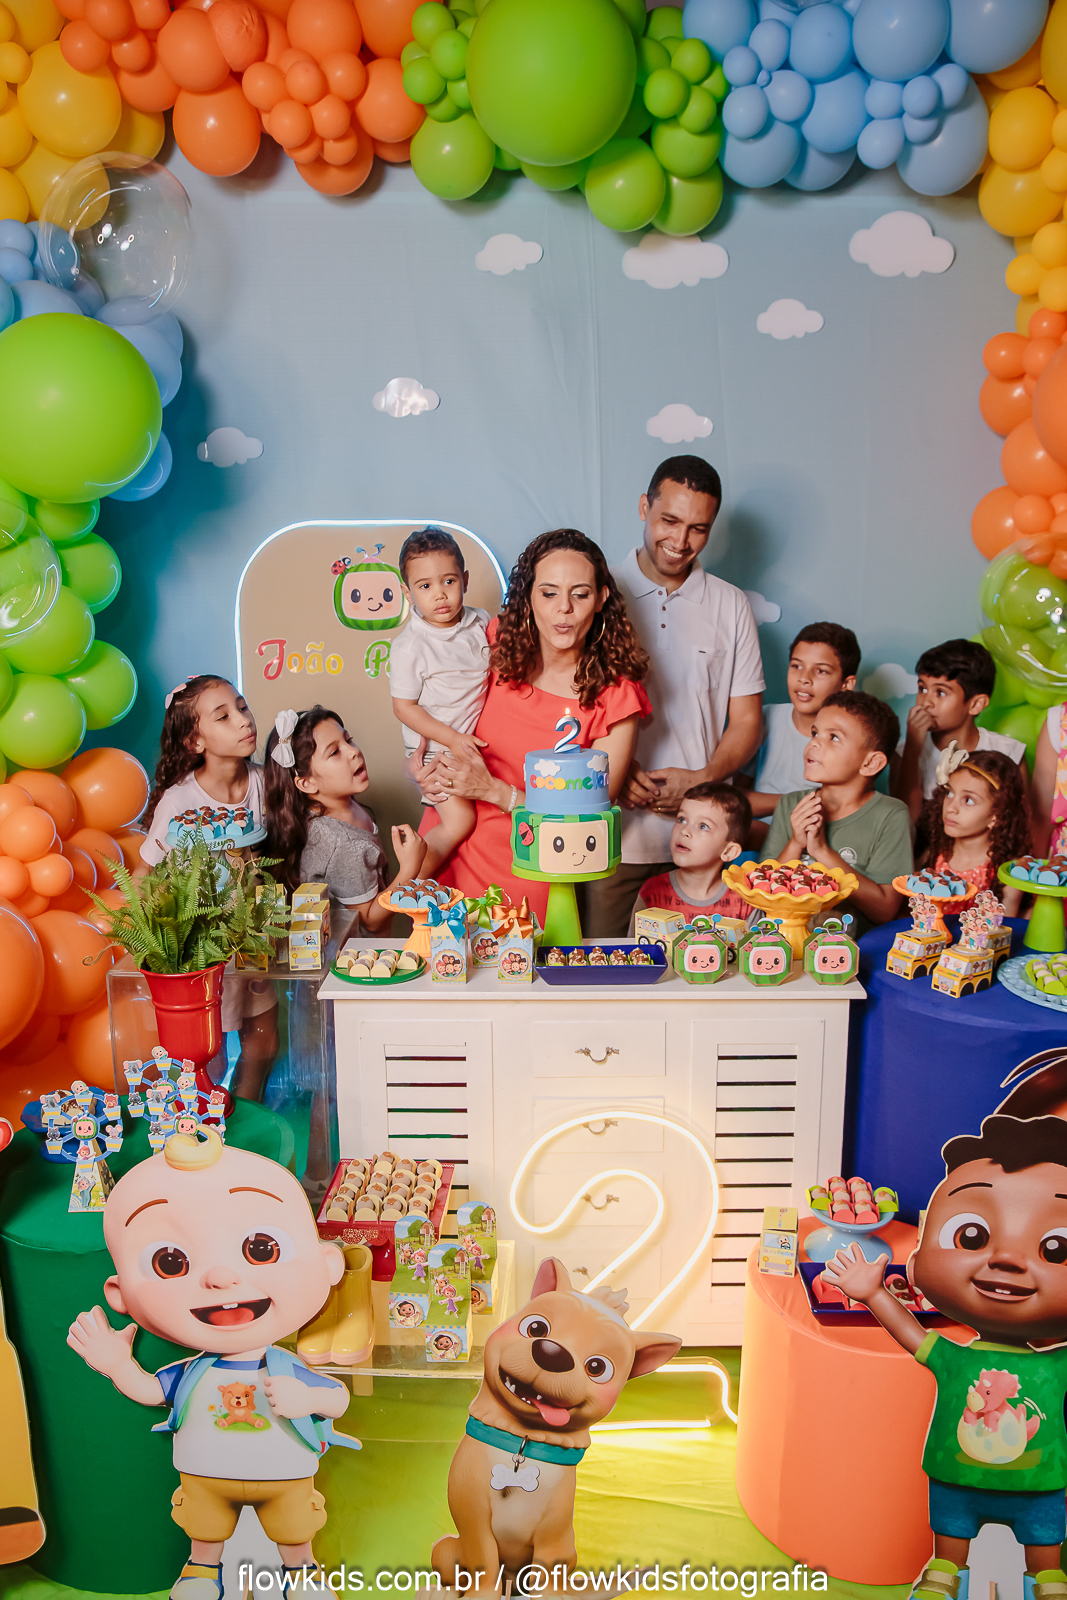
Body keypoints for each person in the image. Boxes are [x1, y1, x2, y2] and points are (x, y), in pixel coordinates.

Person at [66, 1126, 357, 1600]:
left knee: (294, 1526)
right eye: (170, 1262)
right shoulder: (192, 1372)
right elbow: (152, 1391)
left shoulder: (284, 1368)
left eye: (261, 1249)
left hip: (284, 1472)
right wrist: (117, 1364)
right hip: (206, 1475)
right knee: (204, 1526)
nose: (221, 1278)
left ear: (328, 1264)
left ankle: (301, 1572)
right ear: (120, 1294)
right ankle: (202, 1570)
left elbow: (338, 1398)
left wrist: (307, 1397)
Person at [825, 1115, 1067, 1600]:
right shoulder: (954, 1359)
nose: (1007, 1261)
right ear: (916, 1266)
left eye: (1055, 1248)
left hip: (1040, 1486)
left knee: (1045, 1556)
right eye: (970, 1236)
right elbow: (912, 1335)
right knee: (949, 1545)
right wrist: (874, 1294)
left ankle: (1047, 1581)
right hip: (956, 1479)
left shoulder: (1055, 1365)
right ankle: (944, 1573)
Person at [412, 530, 650, 924]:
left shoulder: (616, 695)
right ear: (529, 597)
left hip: (529, 870)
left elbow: (587, 821)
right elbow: (432, 707)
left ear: (601, 599)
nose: (564, 609)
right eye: (549, 593)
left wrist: (494, 791)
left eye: (580, 594)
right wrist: (420, 767)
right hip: (445, 847)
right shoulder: (492, 643)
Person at [586, 455, 765, 937]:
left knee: (707, 968)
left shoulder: (731, 604)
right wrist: (615, 772)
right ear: (644, 507)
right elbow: (567, 705)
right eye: (669, 520)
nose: (681, 540)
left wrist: (702, 780)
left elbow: (748, 722)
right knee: (606, 964)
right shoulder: (598, 593)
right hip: (612, 834)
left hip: (704, 844)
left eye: (698, 528)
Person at [140, 675, 277, 1098]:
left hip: (255, 942)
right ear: (194, 741)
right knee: (207, 1051)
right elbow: (143, 877)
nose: (243, 720)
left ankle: (247, 1114)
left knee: (264, 1042)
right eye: (223, 716)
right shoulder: (180, 802)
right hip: (205, 953)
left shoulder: (264, 783)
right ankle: (207, 1120)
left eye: (242, 706)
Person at [264, 705, 426, 941]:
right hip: (357, 957)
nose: (353, 751)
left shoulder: (340, 804)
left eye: (349, 740)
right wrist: (410, 869)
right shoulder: (342, 843)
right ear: (307, 783)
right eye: (334, 752)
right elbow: (370, 921)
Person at [763, 690, 912, 935]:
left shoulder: (891, 815)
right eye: (815, 733)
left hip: (846, 949)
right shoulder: (792, 804)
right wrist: (796, 843)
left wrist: (822, 852)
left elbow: (884, 911)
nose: (814, 743)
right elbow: (763, 892)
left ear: (870, 763)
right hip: (782, 939)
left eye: (833, 737)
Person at [389, 527, 491, 877]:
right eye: (425, 586)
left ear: (465, 580)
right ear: (408, 593)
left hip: (465, 742)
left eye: (449, 581)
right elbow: (403, 707)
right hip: (436, 748)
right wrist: (451, 739)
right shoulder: (410, 646)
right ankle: (411, 879)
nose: (440, 594)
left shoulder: (480, 621)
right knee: (461, 820)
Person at [895, 640, 1026, 823]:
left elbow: (1021, 824)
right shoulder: (904, 753)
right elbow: (904, 823)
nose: (926, 702)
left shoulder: (1009, 753)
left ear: (976, 704)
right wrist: (912, 752)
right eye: (922, 689)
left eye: (940, 692)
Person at [747, 623, 860, 818]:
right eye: (796, 666)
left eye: (821, 671)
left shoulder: (854, 736)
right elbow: (734, 797)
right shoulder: (764, 717)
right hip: (756, 830)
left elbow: (842, 809)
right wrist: (798, 802)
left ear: (846, 684)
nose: (804, 679)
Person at [628, 782, 754, 933]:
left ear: (729, 851)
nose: (685, 831)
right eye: (682, 819)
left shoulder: (745, 900)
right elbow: (636, 946)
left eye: (703, 826)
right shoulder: (651, 892)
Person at [919, 746, 1029, 913]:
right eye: (950, 793)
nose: (951, 808)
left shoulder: (1008, 873)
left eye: (969, 800)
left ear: (997, 815)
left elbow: (1005, 926)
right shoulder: (934, 854)